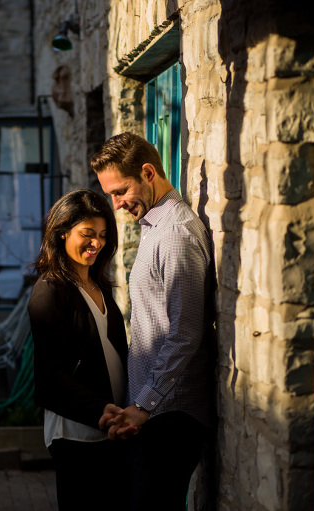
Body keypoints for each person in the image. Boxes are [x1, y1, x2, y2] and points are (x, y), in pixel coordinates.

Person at [92, 132, 215, 510]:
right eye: (111, 195)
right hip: (152, 413)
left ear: (148, 173)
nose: (116, 204)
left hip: (172, 415)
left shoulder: (175, 234)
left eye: (120, 191)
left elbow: (185, 333)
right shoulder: (153, 226)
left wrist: (144, 405)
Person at [27, 188, 130, 511]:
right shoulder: (50, 291)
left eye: (102, 235)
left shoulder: (99, 287)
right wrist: (99, 410)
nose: (96, 243)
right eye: (87, 234)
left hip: (110, 431)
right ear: (62, 232)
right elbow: (48, 378)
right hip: (76, 436)